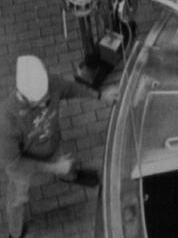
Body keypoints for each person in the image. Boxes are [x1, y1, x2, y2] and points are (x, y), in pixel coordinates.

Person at [0, 55, 119, 238]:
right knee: (17, 198)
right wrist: (54, 167)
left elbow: (71, 88)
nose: (46, 101)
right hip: (22, 165)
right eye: (40, 101)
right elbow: (14, 163)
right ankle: (14, 232)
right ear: (23, 95)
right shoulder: (7, 121)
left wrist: (100, 95)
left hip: (52, 144)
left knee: (65, 163)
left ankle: (69, 176)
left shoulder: (50, 83)